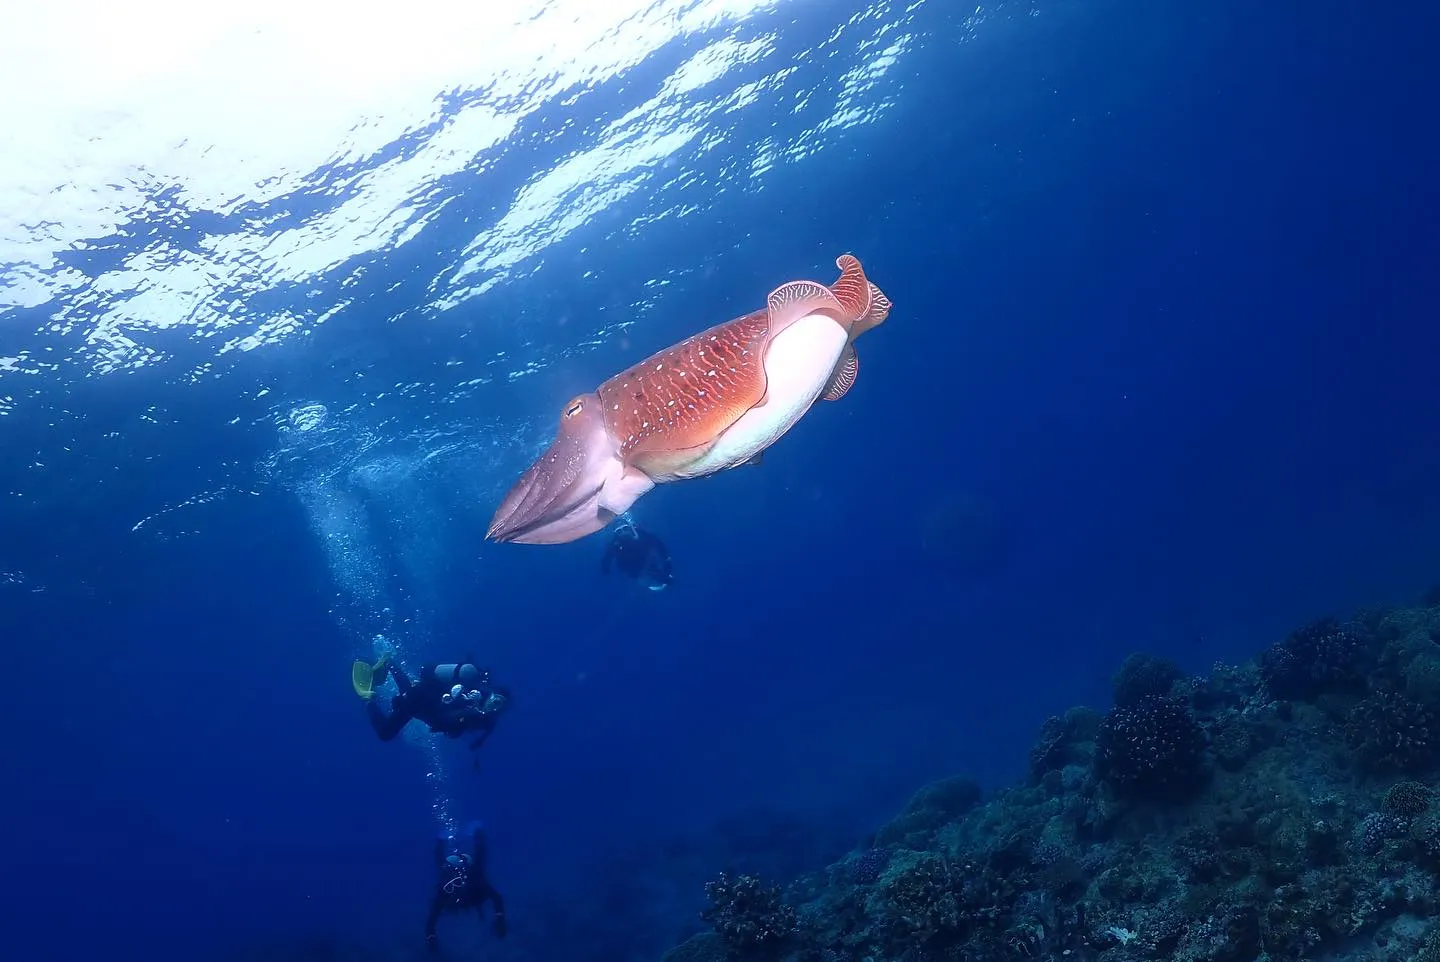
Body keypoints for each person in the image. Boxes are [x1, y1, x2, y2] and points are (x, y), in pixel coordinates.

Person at [352, 656, 511, 757]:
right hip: (422, 701)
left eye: (501, 708)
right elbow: (448, 716)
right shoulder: (471, 700)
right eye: (496, 701)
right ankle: (369, 697)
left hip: (425, 711)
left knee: (405, 697)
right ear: (491, 695)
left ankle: (389, 663)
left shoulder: (485, 720)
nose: (496, 708)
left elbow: (457, 726)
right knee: (386, 732)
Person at [425, 821, 506, 953]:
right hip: (464, 884)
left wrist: (500, 918)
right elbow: (430, 922)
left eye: (457, 882)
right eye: (450, 886)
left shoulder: (475, 882)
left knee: (479, 862)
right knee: (441, 866)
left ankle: (477, 832)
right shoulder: (444, 893)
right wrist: (431, 938)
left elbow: (497, 897)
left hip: (473, 881)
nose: (454, 888)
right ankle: (440, 840)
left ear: (463, 880)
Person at [601, 519, 673, 591]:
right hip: (631, 566)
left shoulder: (642, 534)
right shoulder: (615, 543)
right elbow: (608, 556)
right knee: (636, 575)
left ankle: (662, 577)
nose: (623, 532)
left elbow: (657, 543)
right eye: (619, 531)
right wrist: (605, 567)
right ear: (616, 534)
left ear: (630, 528)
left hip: (646, 557)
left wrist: (666, 559)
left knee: (657, 572)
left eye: (625, 528)